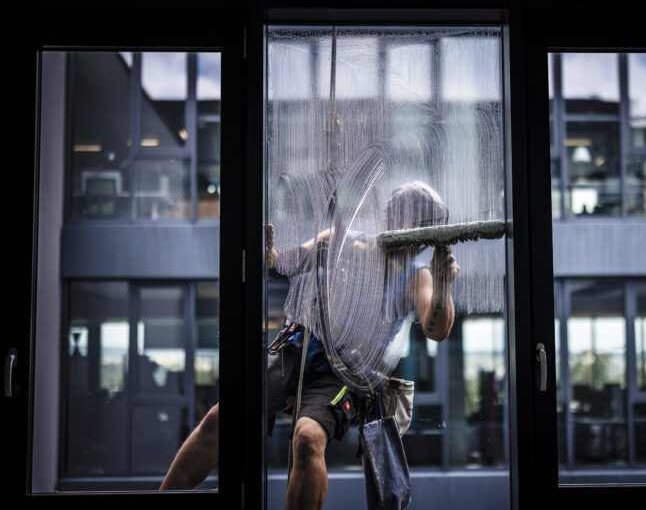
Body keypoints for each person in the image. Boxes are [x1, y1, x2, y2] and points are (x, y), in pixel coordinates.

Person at [160, 182, 459, 510]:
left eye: (423, 231)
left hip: (345, 374)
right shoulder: (341, 241)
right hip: (299, 348)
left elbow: (437, 329)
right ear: (392, 216)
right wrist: (267, 255)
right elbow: (284, 264)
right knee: (221, 418)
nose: (413, 237)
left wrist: (443, 286)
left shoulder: (418, 277)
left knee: (308, 438)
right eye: (410, 222)